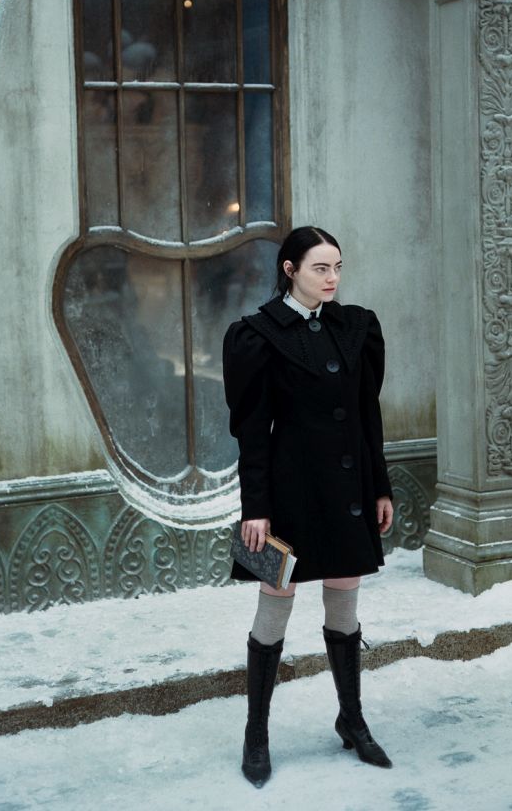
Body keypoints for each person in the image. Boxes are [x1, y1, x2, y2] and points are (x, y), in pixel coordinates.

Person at [222, 225, 394, 788]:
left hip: (347, 489)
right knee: (275, 602)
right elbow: (252, 432)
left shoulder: (357, 327)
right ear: (290, 270)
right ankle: (256, 734)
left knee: (344, 598)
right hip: (285, 493)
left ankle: (352, 719)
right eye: (321, 268)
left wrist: (381, 488)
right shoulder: (255, 335)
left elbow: (368, 417)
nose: (332, 278)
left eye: (338, 267)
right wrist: (254, 509)